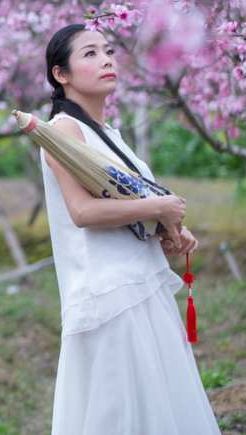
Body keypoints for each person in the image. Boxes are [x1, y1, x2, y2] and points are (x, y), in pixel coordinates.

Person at [41, 23, 220, 434]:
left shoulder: (107, 134)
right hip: (108, 292)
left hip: (138, 281)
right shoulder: (64, 130)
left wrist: (163, 227)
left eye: (107, 51)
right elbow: (82, 212)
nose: (105, 59)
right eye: (89, 54)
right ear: (60, 74)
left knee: (154, 407)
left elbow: (123, 207)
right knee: (119, 411)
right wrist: (159, 205)